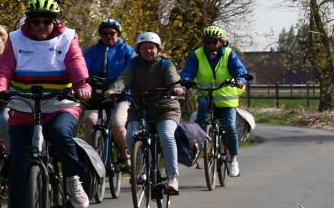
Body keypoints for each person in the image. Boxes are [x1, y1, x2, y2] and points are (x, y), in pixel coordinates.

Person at [0, 0, 93, 208]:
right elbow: (4, 67)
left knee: (59, 134)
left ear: (55, 21)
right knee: (18, 164)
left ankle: (72, 178)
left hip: (61, 105)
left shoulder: (68, 37)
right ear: (29, 22)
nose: (41, 26)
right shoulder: (16, 39)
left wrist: (82, 86)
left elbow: (76, 63)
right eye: (36, 21)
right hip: (24, 106)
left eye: (47, 21)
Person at [110, 32, 185, 194]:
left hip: (166, 109)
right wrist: (114, 90)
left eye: (151, 48)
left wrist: (176, 88)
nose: (148, 51)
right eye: (144, 48)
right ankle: (140, 171)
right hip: (140, 110)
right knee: (131, 135)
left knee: (166, 135)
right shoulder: (134, 64)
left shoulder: (165, 64)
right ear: (139, 50)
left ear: (157, 49)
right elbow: (124, 78)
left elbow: (173, 78)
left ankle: (172, 177)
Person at [181, 25, 251, 177]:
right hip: (206, 95)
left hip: (226, 98)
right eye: (208, 42)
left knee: (230, 127)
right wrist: (186, 79)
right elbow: (188, 71)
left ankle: (233, 159)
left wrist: (240, 79)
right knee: (200, 117)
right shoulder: (197, 55)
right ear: (204, 43)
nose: (211, 45)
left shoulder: (229, 54)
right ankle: (196, 148)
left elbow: (240, 70)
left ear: (221, 42)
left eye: (215, 42)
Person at [80, 18, 134, 171]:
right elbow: (82, 68)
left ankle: (125, 155)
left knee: (117, 123)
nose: (109, 36)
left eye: (112, 33)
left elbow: (132, 71)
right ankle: (90, 158)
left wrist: (119, 88)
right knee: (90, 120)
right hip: (97, 93)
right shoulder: (93, 51)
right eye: (105, 33)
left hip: (121, 95)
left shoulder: (127, 51)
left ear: (118, 34)